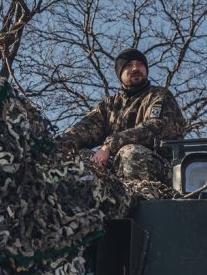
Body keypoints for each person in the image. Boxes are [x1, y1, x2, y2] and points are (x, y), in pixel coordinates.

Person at [54, 48, 185, 183]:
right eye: (129, 65)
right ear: (120, 73)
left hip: (162, 171)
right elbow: (84, 129)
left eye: (140, 64)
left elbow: (157, 128)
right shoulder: (110, 105)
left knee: (130, 153)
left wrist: (109, 146)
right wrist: (55, 147)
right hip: (118, 170)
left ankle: (142, 199)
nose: (135, 68)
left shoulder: (159, 95)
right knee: (80, 157)